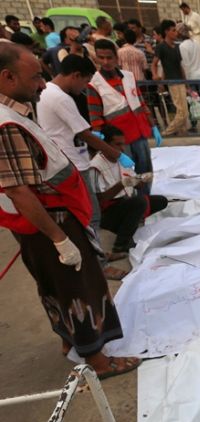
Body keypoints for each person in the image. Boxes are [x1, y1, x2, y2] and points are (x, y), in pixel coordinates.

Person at [0, 44, 140, 377]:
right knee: (80, 286)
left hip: (52, 217)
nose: (43, 84)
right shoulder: (7, 125)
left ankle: (70, 340)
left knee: (57, 285)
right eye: (35, 77)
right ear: (7, 77)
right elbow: (19, 191)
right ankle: (98, 361)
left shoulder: (16, 112)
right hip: (49, 221)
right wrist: (60, 239)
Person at [37, 54, 135, 278]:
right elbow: (85, 134)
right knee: (91, 215)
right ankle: (99, 266)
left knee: (87, 215)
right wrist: (116, 155)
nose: (83, 88)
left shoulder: (49, 94)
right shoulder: (60, 98)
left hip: (66, 159)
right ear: (75, 75)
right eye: (84, 82)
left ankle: (96, 256)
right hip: (70, 164)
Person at [87, 39, 162, 187]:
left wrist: (153, 126)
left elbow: (140, 103)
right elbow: (95, 116)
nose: (106, 61)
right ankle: (132, 200)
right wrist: (100, 140)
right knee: (125, 173)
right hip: (118, 137)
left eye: (109, 57)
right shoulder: (94, 84)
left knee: (145, 168)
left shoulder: (128, 76)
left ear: (116, 57)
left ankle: (146, 198)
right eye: (101, 58)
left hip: (139, 131)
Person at [89, 124, 167, 254]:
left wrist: (140, 180)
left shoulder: (121, 161)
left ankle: (128, 223)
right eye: (117, 144)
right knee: (139, 203)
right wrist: (122, 184)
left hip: (125, 203)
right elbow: (99, 200)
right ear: (104, 144)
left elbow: (134, 183)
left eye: (123, 144)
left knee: (161, 201)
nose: (122, 148)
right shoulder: (95, 166)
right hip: (107, 212)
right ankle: (121, 245)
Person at [153, 19, 188, 137]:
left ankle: (182, 131)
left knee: (184, 111)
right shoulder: (161, 47)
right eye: (173, 30)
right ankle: (167, 132)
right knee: (182, 112)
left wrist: (185, 81)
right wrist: (156, 76)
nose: (176, 33)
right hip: (172, 82)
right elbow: (155, 64)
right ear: (166, 31)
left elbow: (179, 65)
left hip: (180, 81)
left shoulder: (176, 47)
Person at [179, 23, 200, 132]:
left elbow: (185, 64)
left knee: (193, 102)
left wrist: (186, 83)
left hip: (191, 77)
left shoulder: (182, 46)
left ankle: (194, 125)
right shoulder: (197, 44)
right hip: (199, 76)